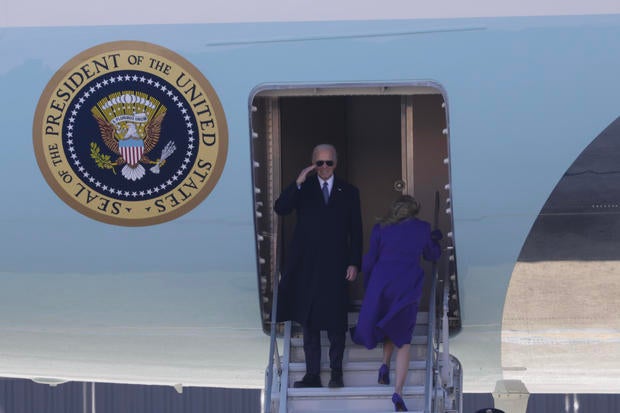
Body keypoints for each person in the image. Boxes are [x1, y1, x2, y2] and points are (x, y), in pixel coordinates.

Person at [275, 143, 363, 389]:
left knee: (336, 322)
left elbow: (356, 230)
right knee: (309, 321)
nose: (324, 168)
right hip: (307, 265)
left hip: (336, 264)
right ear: (313, 163)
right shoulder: (304, 189)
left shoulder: (349, 191)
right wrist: (299, 181)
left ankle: (336, 373)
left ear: (336, 164)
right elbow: (281, 208)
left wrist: (355, 262)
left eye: (329, 163)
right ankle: (312, 374)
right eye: (320, 163)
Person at [351, 195, 441, 411]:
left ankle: (384, 365)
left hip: (382, 283)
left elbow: (371, 258)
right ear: (414, 210)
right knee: (403, 339)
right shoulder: (422, 228)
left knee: (389, 325)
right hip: (407, 286)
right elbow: (432, 255)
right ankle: (398, 392)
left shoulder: (381, 228)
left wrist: (369, 286)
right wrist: (435, 238)